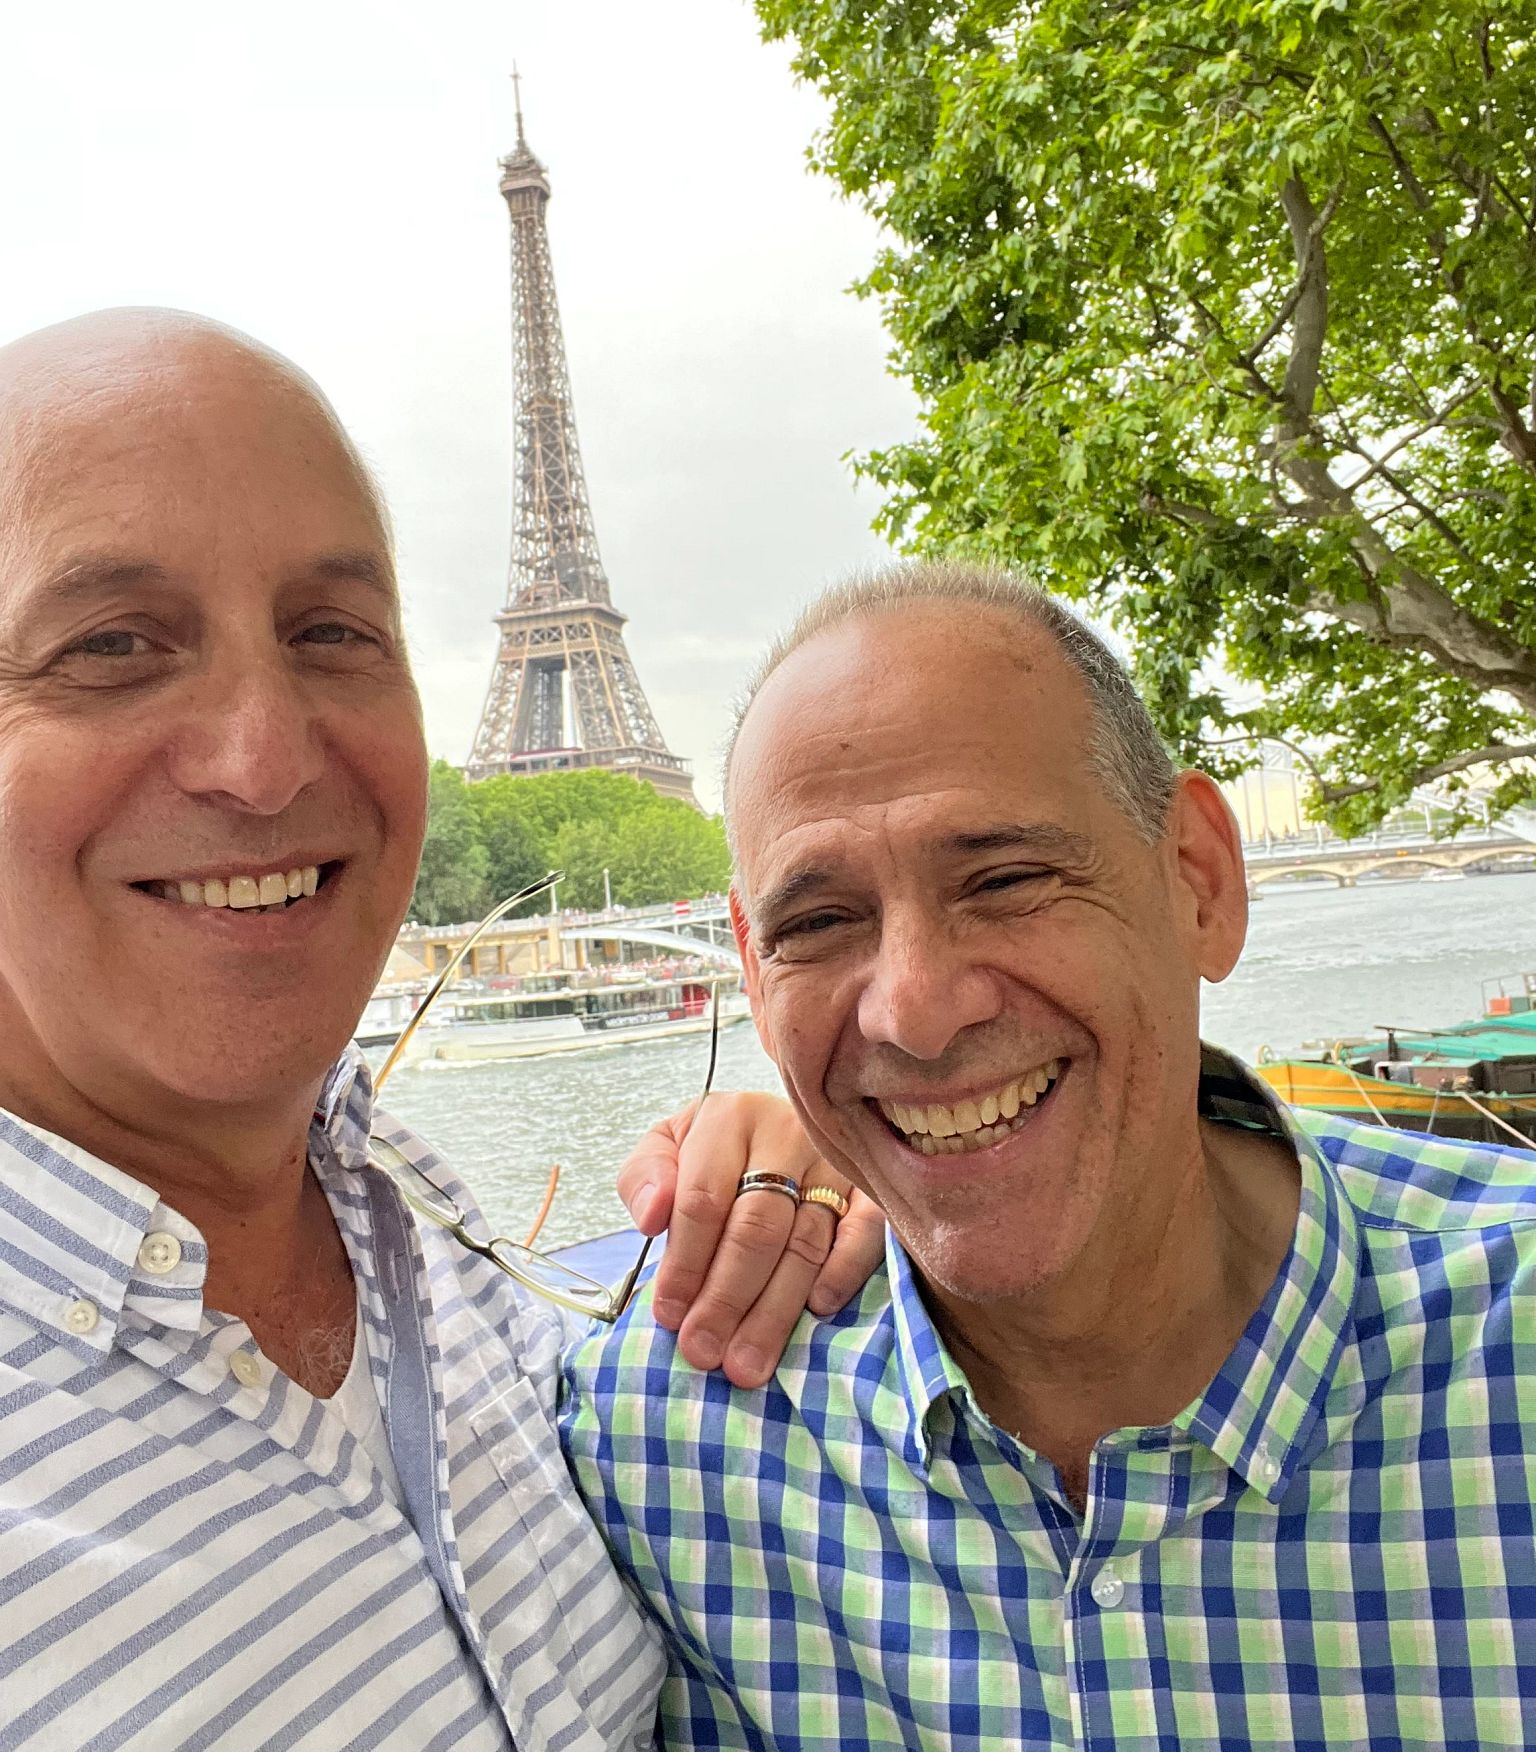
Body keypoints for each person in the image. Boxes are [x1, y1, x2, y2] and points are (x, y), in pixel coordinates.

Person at [0, 307, 885, 1750]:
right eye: (110, 645)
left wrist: (827, 1153)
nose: (264, 759)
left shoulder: (422, 1223)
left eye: (332, 633)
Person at [564, 563, 1536, 1749]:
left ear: (1201, 883)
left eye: (1008, 879)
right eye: (818, 922)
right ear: (754, 973)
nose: (913, 1012)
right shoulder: (652, 1443)